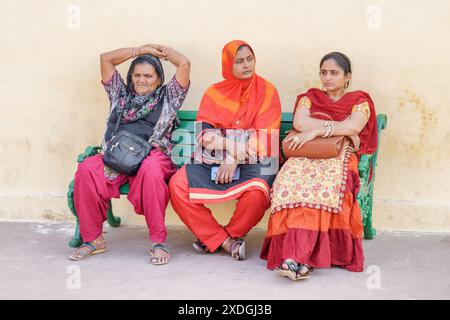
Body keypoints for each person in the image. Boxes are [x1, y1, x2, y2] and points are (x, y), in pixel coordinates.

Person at [68, 44, 190, 265]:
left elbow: (184, 64)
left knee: (152, 172)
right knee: (86, 170)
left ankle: (157, 242)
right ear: (131, 77)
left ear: (158, 78)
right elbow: (105, 59)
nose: (142, 79)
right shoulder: (119, 94)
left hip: (151, 155)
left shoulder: (169, 96)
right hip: (116, 157)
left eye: (148, 75)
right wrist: (139, 50)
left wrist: (161, 51)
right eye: (137, 75)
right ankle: (93, 240)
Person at [260, 52, 378, 280]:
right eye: (323, 72)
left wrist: (317, 129)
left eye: (334, 73)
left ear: (347, 77)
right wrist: (336, 127)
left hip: (340, 155)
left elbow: (354, 126)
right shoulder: (309, 98)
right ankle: (296, 257)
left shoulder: (359, 101)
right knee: (289, 183)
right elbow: (299, 122)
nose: (327, 78)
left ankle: (302, 257)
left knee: (326, 188)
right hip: (307, 153)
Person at [169, 40, 281, 260]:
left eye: (250, 59)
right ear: (228, 64)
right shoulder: (214, 93)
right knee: (178, 186)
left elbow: (266, 137)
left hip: (256, 159)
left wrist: (233, 158)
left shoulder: (267, 91)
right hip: (212, 158)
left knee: (258, 192)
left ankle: (223, 237)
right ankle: (226, 243)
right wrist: (230, 149)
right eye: (239, 61)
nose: (246, 65)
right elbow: (204, 134)